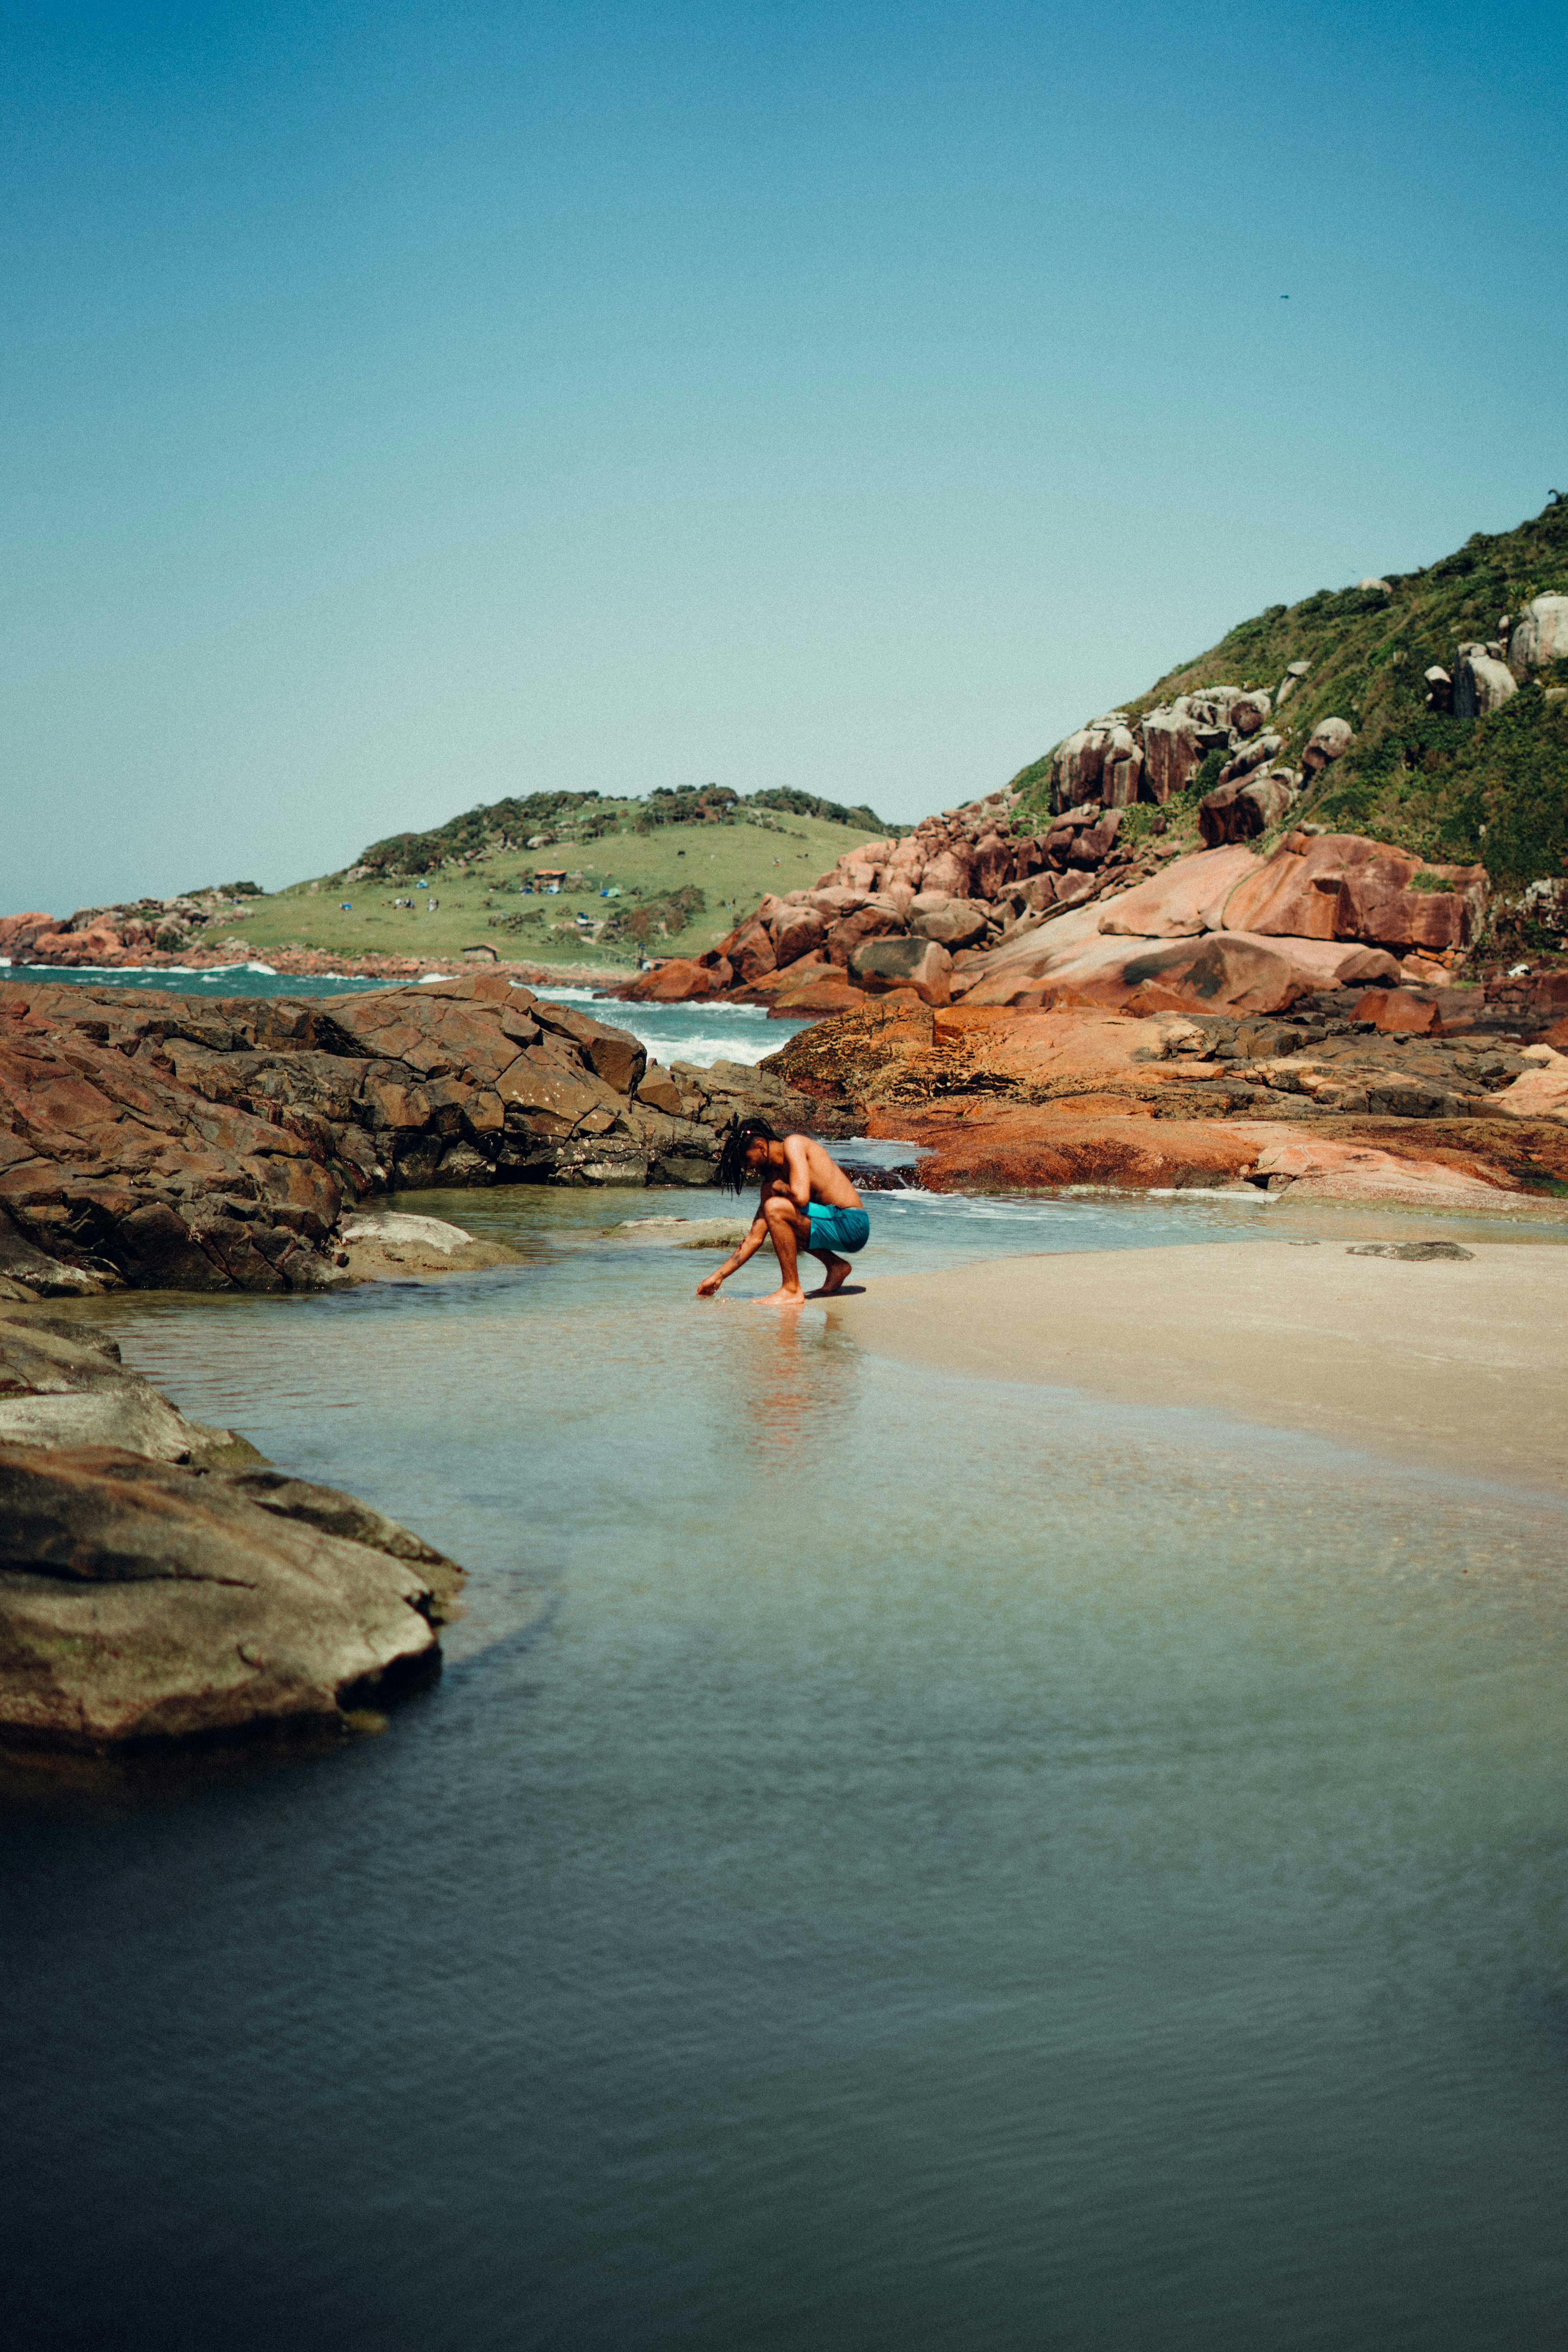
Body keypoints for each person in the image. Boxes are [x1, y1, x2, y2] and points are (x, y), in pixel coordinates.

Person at [696, 1117, 870, 1305]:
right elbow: (755, 1238)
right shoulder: (771, 1182)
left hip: (852, 1223)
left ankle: (791, 1289)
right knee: (777, 1216)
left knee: (775, 1209)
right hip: (834, 1224)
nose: (747, 1168)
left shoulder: (794, 1144)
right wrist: (718, 1277)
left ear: (761, 1147)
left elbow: (801, 1197)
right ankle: (836, 1266)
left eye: (746, 1160)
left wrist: (779, 1187)